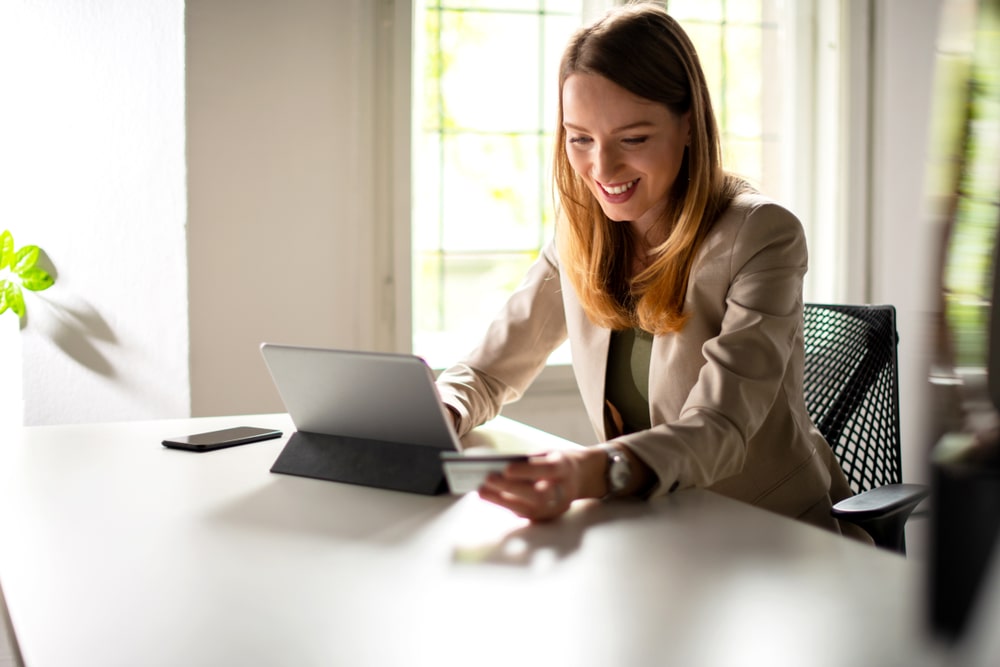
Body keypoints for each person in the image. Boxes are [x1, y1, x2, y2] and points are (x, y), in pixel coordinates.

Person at [435, 2, 863, 539]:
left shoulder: (761, 235)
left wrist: (593, 469)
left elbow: (719, 428)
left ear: (688, 125)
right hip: (654, 530)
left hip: (766, 534)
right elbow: (488, 371)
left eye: (632, 139)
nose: (601, 169)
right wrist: (442, 410)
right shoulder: (581, 236)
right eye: (579, 139)